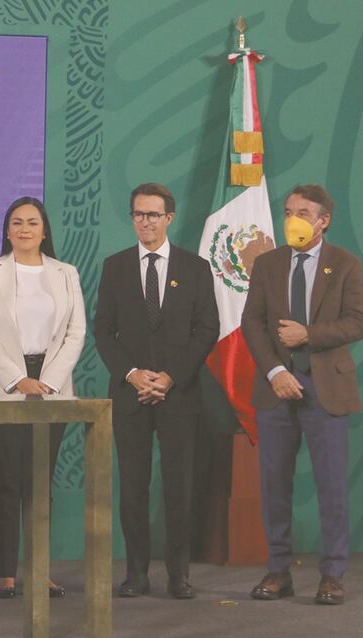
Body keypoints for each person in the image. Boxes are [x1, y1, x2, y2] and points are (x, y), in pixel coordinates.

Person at [241, 184, 363, 605]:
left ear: (323, 220)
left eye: (303, 212)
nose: (293, 219)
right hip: (276, 387)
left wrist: (308, 335)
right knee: (275, 484)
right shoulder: (268, 264)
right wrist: (276, 369)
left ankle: (332, 574)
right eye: (289, 211)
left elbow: (357, 323)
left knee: (332, 485)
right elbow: (253, 323)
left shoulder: (345, 264)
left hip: (325, 388)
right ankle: (278, 571)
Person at [93, 182, 218, 599]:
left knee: (178, 487)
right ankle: (136, 573)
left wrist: (169, 377)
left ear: (169, 218)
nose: (145, 222)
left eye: (153, 214)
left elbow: (207, 330)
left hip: (178, 396)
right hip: (129, 396)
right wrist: (132, 374)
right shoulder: (115, 267)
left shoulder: (195, 268)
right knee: (133, 487)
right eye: (138, 214)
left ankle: (179, 575)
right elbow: (103, 331)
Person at [0, 196, 86, 599]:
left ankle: (40, 571)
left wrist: (48, 381)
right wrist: (19, 379)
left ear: (44, 229)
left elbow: (76, 333)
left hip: (52, 388)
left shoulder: (66, 273)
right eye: (16, 222)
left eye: (32, 222)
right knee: (6, 482)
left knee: (39, 484)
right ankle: (5, 573)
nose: (24, 229)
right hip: (5, 387)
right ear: (7, 230)